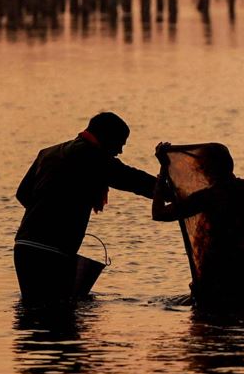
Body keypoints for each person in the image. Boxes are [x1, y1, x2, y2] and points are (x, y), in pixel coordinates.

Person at [14, 112, 155, 303]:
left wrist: (49, 211)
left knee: (37, 314)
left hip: (24, 247)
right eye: (120, 143)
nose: (120, 151)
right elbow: (135, 181)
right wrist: (176, 190)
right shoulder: (94, 157)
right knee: (60, 319)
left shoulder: (48, 153)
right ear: (106, 137)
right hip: (52, 253)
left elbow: (23, 194)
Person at [152, 143, 244, 310]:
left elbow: (159, 213)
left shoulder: (208, 197)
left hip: (215, 275)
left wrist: (163, 171)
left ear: (207, 170)